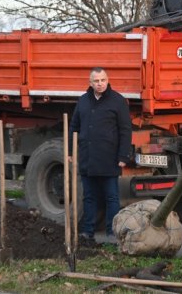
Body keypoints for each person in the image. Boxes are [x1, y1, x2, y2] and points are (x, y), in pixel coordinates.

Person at [69, 67, 132, 245]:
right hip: (87, 158)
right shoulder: (83, 101)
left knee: (111, 197)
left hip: (109, 158)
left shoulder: (118, 101)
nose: (100, 84)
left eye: (103, 80)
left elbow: (125, 130)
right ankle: (87, 232)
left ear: (107, 80)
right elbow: (74, 127)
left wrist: (123, 155)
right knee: (88, 197)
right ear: (90, 83)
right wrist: (70, 152)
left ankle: (112, 234)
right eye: (96, 81)